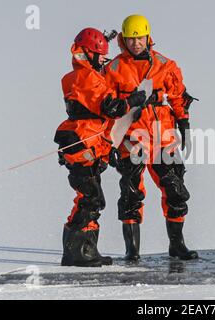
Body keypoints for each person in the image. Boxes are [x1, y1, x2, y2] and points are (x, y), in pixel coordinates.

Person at [104, 15, 199, 261]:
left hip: (163, 135)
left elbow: (178, 96)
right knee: (131, 192)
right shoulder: (113, 69)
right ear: (123, 39)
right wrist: (109, 142)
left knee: (175, 188)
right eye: (131, 39)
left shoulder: (165, 65)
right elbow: (106, 110)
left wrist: (184, 123)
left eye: (140, 38)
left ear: (148, 37)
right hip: (131, 137)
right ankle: (132, 252)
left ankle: (177, 246)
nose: (136, 43)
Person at [54, 27, 145, 267]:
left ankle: (85, 249)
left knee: (90, 197)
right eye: (101, 54)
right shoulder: (87, 77)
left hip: (87, 143)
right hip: (83, 143)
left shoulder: (78, 76)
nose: (104, 59)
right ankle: (77, 251)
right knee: (90, 198)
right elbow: (111, 108)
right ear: (89, 53)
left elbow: (97, 114)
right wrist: (133, 101)